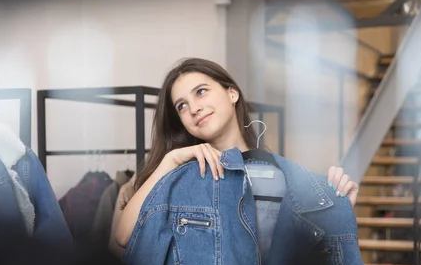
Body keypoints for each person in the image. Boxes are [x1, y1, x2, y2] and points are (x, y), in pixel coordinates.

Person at [115, 58, 359, 248]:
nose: (194, 108)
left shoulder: (279, 176)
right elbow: (124, 236)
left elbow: (304, 260)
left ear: (232, 93)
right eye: (182, 106)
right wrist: (169, 161)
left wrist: (338, 211)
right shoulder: (175, 176)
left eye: (201, 92)